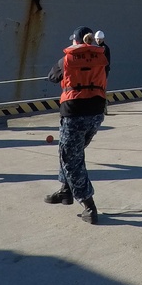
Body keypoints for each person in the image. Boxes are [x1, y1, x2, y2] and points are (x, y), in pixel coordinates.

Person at [45, 26, 108, 224]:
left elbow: (52, 77)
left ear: (77, 41)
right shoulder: (101, 57)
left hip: (74, 113)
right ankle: (65, 191)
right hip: (96, 114)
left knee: (71, 158)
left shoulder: (66, 60)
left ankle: (89, 205)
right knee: (70, 151)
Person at [94, 30, 112, 114]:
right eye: (97, 39)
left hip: (103, 72)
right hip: (99, 72)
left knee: (102, 89)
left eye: (99, 39)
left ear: (103, 39)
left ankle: (104, 107)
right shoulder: (98, 48)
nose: (98, 40)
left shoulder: (103, 48)